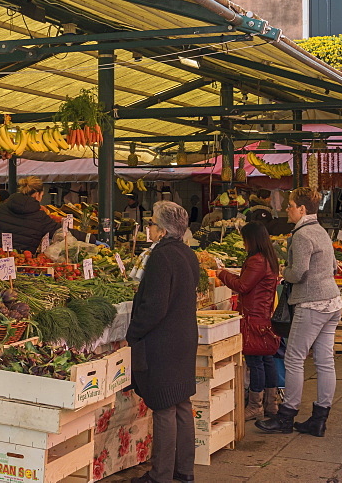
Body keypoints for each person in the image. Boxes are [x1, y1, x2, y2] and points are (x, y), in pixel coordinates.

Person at [256, 187, 340, 437]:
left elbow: (299, 272)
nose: (286, 209)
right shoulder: (321, 231)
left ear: (302, 209)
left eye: (290, 205)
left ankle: (286, 416)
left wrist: (284, 272)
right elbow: (333, 265)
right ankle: (319, 418)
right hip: (332, 302)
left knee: (294, 359)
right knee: (325, 362)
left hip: (311, 303)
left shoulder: (302, 235)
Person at [126, 201, 200, 483]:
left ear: (162, 229)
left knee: (164, 408)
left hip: (164, 342)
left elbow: (154, 306)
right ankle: (184, 472)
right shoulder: (187, 253)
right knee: (181, 404)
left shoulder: (161, 257)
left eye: (152, 224)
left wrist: (134, 332)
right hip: (184, 337)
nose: (150, 229)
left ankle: (161, 476)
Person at [216, 222, 280, 422]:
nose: (244, 244)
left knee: (255, 362)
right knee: (266, 359)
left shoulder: (257, 260)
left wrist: (222, 273)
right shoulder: (268, 258)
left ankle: (255, 406)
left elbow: (243, 286)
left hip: (254, 318)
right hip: (264, 316)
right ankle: (272, 403)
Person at [0, 176, 60, 252]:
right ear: (37, 194)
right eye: (42, 195)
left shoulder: (0, 208)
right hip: (24, 261)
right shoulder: (40, 217)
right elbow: (60, 233)